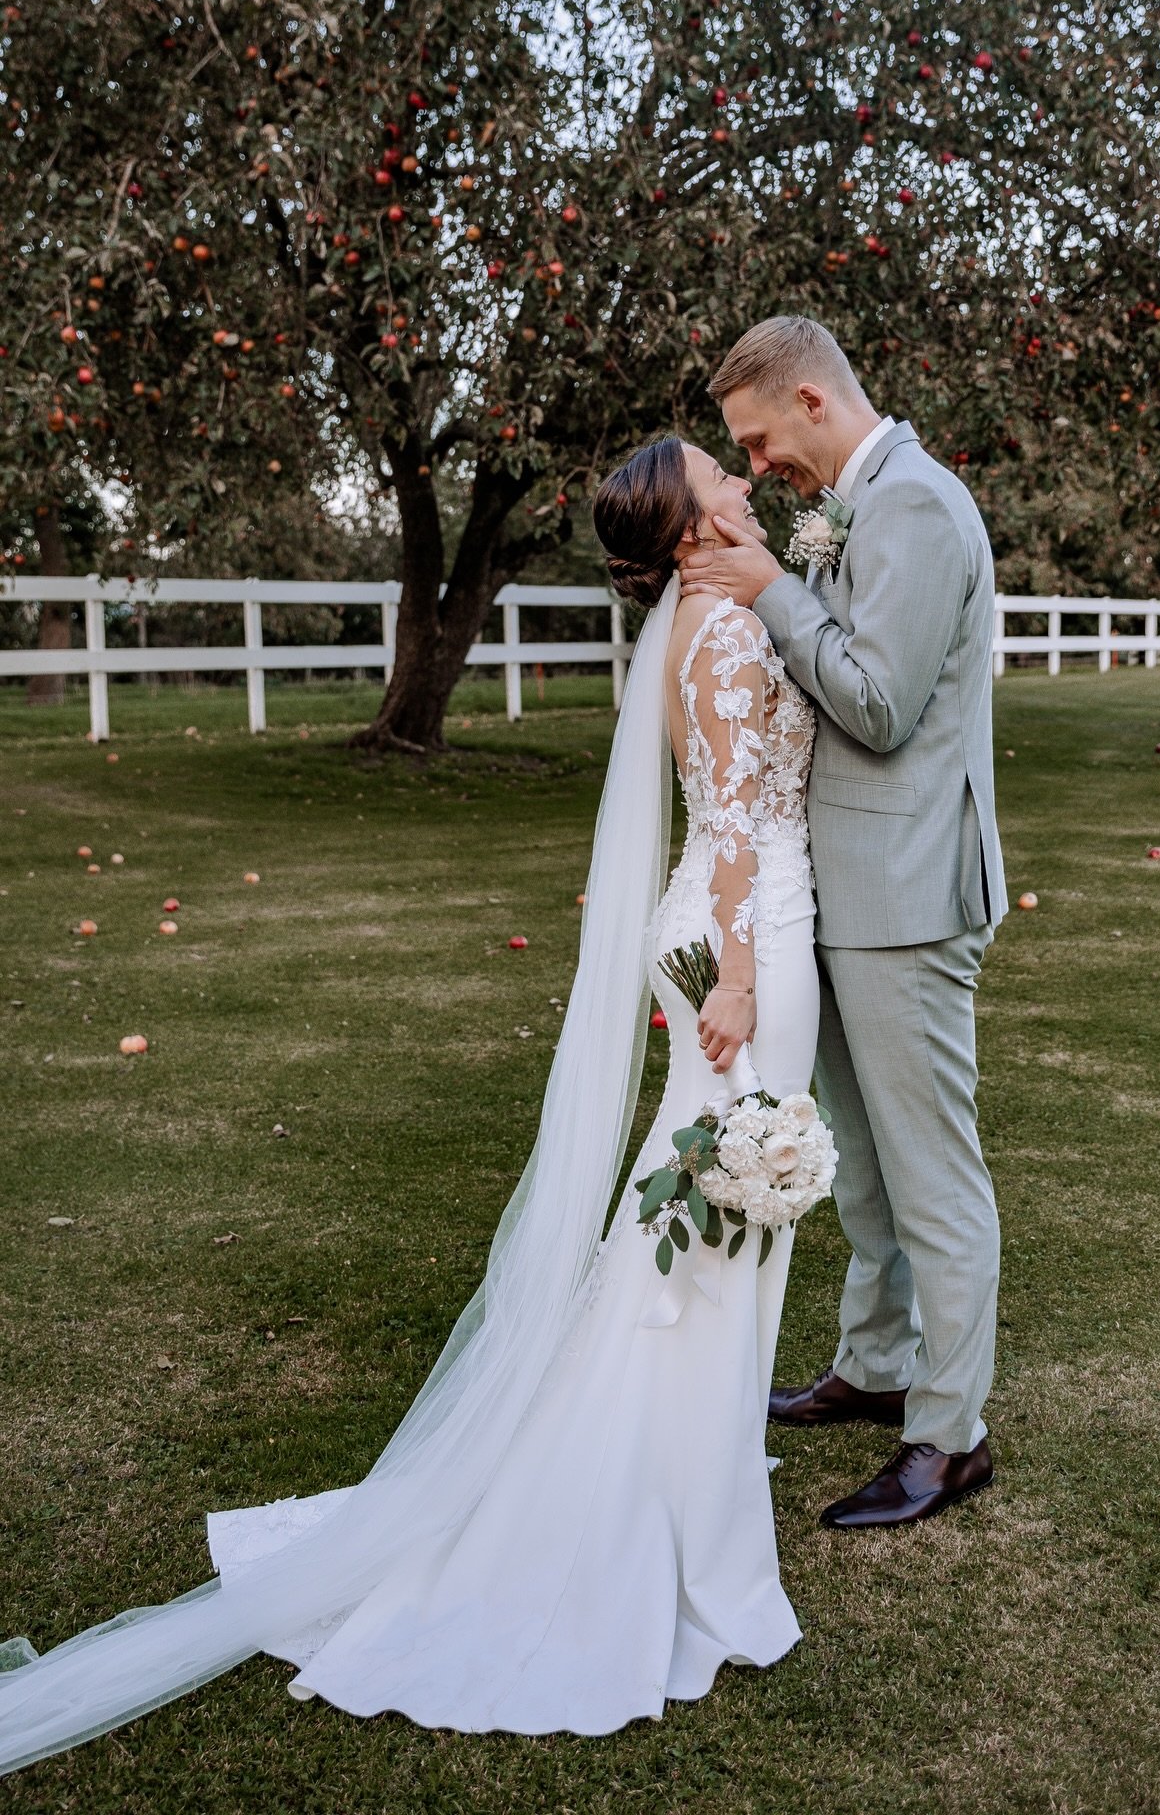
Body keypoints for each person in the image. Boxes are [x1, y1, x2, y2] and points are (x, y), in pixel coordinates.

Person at [0, 436, 819, 1775]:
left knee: (697, 1205)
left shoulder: (706, 618)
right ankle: (664, 1487)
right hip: (747, 946)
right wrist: (736, 976)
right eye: (716, 476)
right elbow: (731, 822)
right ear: (689, 530)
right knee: (724, 1200)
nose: (739, 478)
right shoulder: (723, 633)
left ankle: (681, 1454)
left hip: (740, 931)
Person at [679, 314, 1008, 1530]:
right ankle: (874, 1365)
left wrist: (773, 591)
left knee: (933, 1175)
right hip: (841, 888)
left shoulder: (914, 505)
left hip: (907, 894)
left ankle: (950, 1435)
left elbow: (877, 704)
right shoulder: (850, 506)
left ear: (812, 402)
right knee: (864, 1165)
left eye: (760, 441)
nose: (758, 467)